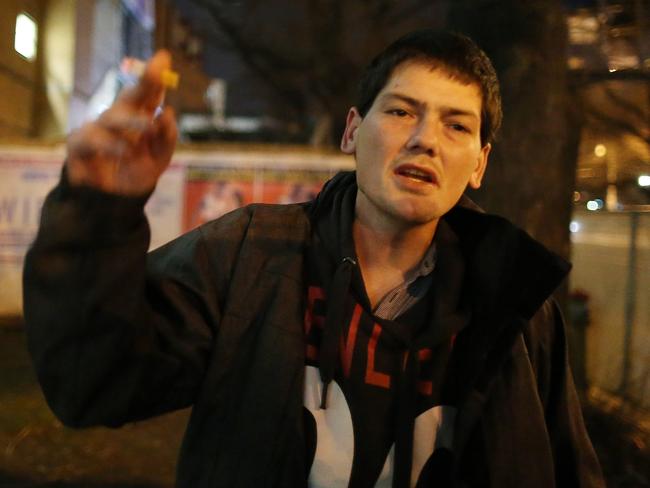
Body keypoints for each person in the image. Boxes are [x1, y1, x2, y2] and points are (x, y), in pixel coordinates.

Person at [23, 30, 604, 487]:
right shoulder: (249, 254)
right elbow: (93, 382)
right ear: (353, 131)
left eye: (456, 125)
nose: (425, 138)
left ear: (479, 163)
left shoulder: (517, 308)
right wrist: (95, 213)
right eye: (402, 111)